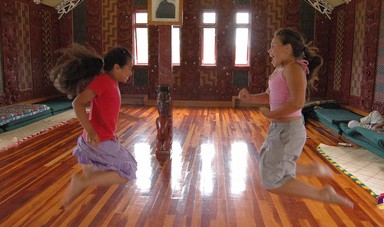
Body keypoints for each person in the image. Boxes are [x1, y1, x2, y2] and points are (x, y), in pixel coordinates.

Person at [238, 28, 354, 208]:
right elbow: (269, 96)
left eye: (273, 46)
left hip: (288, 131)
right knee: (266, 164)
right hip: (279, 129)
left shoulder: (294, 68)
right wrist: (250, 98)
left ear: (287, 48)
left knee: (272, 181)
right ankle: (311, 170)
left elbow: (298, 102)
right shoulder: (279, 70)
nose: (269, 51)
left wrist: (272, 114)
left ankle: (322, 194)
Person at [49, 44, 138, 207]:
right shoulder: (103, 81)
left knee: (90, 176)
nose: (130, 73)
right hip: (99, 141)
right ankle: (80, 183)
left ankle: (66, 202)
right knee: (128, 170)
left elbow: (107, 110)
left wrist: (128, 117)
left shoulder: (111, 82)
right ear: (117, 67)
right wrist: (91, 131)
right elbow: (78, 103)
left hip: (92, 141)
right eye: (129, 68)